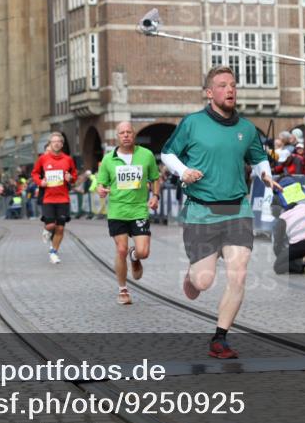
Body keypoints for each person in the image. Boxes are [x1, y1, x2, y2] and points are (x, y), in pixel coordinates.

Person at [161, 66, 281, 359]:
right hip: (201, 210)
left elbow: (259, 158)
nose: (230, 90)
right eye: (223, 85)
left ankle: (220, 338)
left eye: (233, 85)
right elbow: (167, 153)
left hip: (236, 208)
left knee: (238, 275)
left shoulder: (247, 129)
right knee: (203, 282)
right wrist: (184, 171)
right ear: (209, 92)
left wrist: (265, 174)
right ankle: (192, 276)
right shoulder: (192, 123)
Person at [95, 121, 161, 306]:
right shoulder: (109, 159)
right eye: (122, 133)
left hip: (139, 209)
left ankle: (135, 257)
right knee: (120, 249)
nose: (125, 135)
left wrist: (155, 196)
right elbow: (101, 183)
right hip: (117, 210)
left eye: (129, 132)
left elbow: (155, 178)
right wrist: (101, 190)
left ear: (134, 135)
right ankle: (123, 290)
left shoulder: (146, 155)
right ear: (117, 136)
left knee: (143, 252)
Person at [31, 133, 77, 264]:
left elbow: (74, 174)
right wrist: (41, 183)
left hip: (63, 199)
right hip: (49, 199)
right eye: (53, 142)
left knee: (61, 228)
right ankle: (46, 230)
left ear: (62, 144)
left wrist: (71, 178)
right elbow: (34, 173)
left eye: (58, 142)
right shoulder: (43, 159)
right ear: (50, 144)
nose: (56, 144)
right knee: (51, 224)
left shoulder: (68, 159)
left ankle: (53, 252)